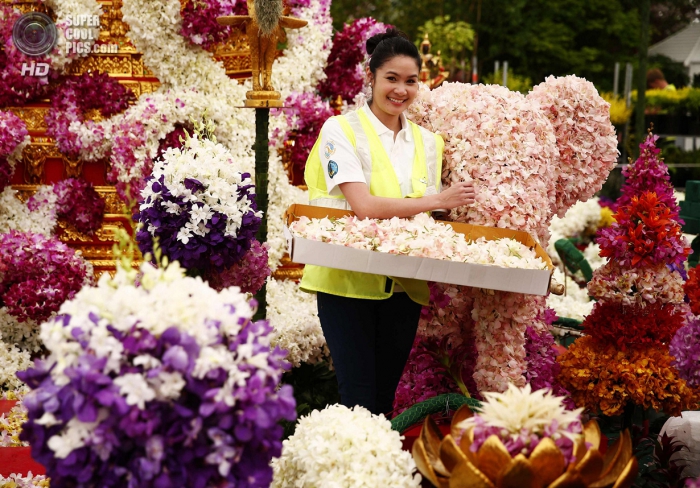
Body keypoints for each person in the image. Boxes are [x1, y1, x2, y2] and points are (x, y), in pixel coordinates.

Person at [299, 28, 476, 416]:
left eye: (410, 81)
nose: (401, 90)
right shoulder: (340, 131)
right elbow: (362, 205)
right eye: (391, 79)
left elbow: (427, 217)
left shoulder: (430, 143)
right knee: (357, 399)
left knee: (383, 402)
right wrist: (438, 199)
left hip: (403, 289)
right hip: (346, 285)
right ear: (371, 77)